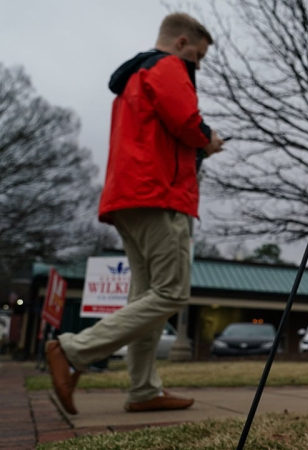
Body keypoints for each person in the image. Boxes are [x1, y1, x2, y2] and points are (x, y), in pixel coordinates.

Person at [45, 12, 224, 415]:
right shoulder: (168, 67)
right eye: (198, 56)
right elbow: (186, 121)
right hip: (158, 194)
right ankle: (72, 349)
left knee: (147, 295)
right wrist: (207, 142)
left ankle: (143, 389)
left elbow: (162, 128)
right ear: (181, 43)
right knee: (171, 292)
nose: (197, 65)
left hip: (129, 195)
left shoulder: (135, 76)